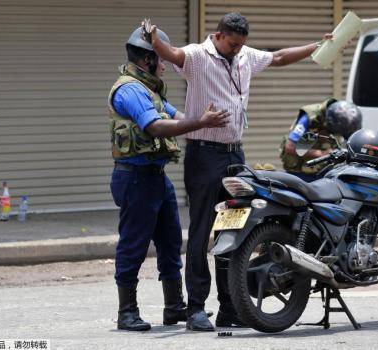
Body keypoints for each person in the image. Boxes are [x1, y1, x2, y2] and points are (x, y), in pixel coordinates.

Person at [143, 13, 334, 331]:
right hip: (204, 157)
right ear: (218, 36)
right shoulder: (196, 57)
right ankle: (196, 310)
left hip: (235, 156)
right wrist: (154, 41)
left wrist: (318, 45)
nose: (236, 50)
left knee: (232, 230)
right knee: (203, 231)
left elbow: (280, 57)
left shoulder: (245, 55)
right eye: (232, 44)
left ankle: (229, 307)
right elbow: (171, 53)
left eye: (241, 45)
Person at [108, 25, 229, 332]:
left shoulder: (149, 89)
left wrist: (205, 120)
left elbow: (177, 116)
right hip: (135, 178)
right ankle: (127, 311)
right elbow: (155, 127)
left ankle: (174, 307)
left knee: (171, 241)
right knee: (134, 244)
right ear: (147, 59)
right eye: (160, 59)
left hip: (156, 178)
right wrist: (199, 122)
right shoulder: (130, 89)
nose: (164, 64)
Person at [280, 100, 363, 182]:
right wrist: (321, 154)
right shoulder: (310, 117)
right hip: (300, 170)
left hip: (324, 171)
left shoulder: (345, 121)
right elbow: (290, 147)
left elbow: (351, 142)